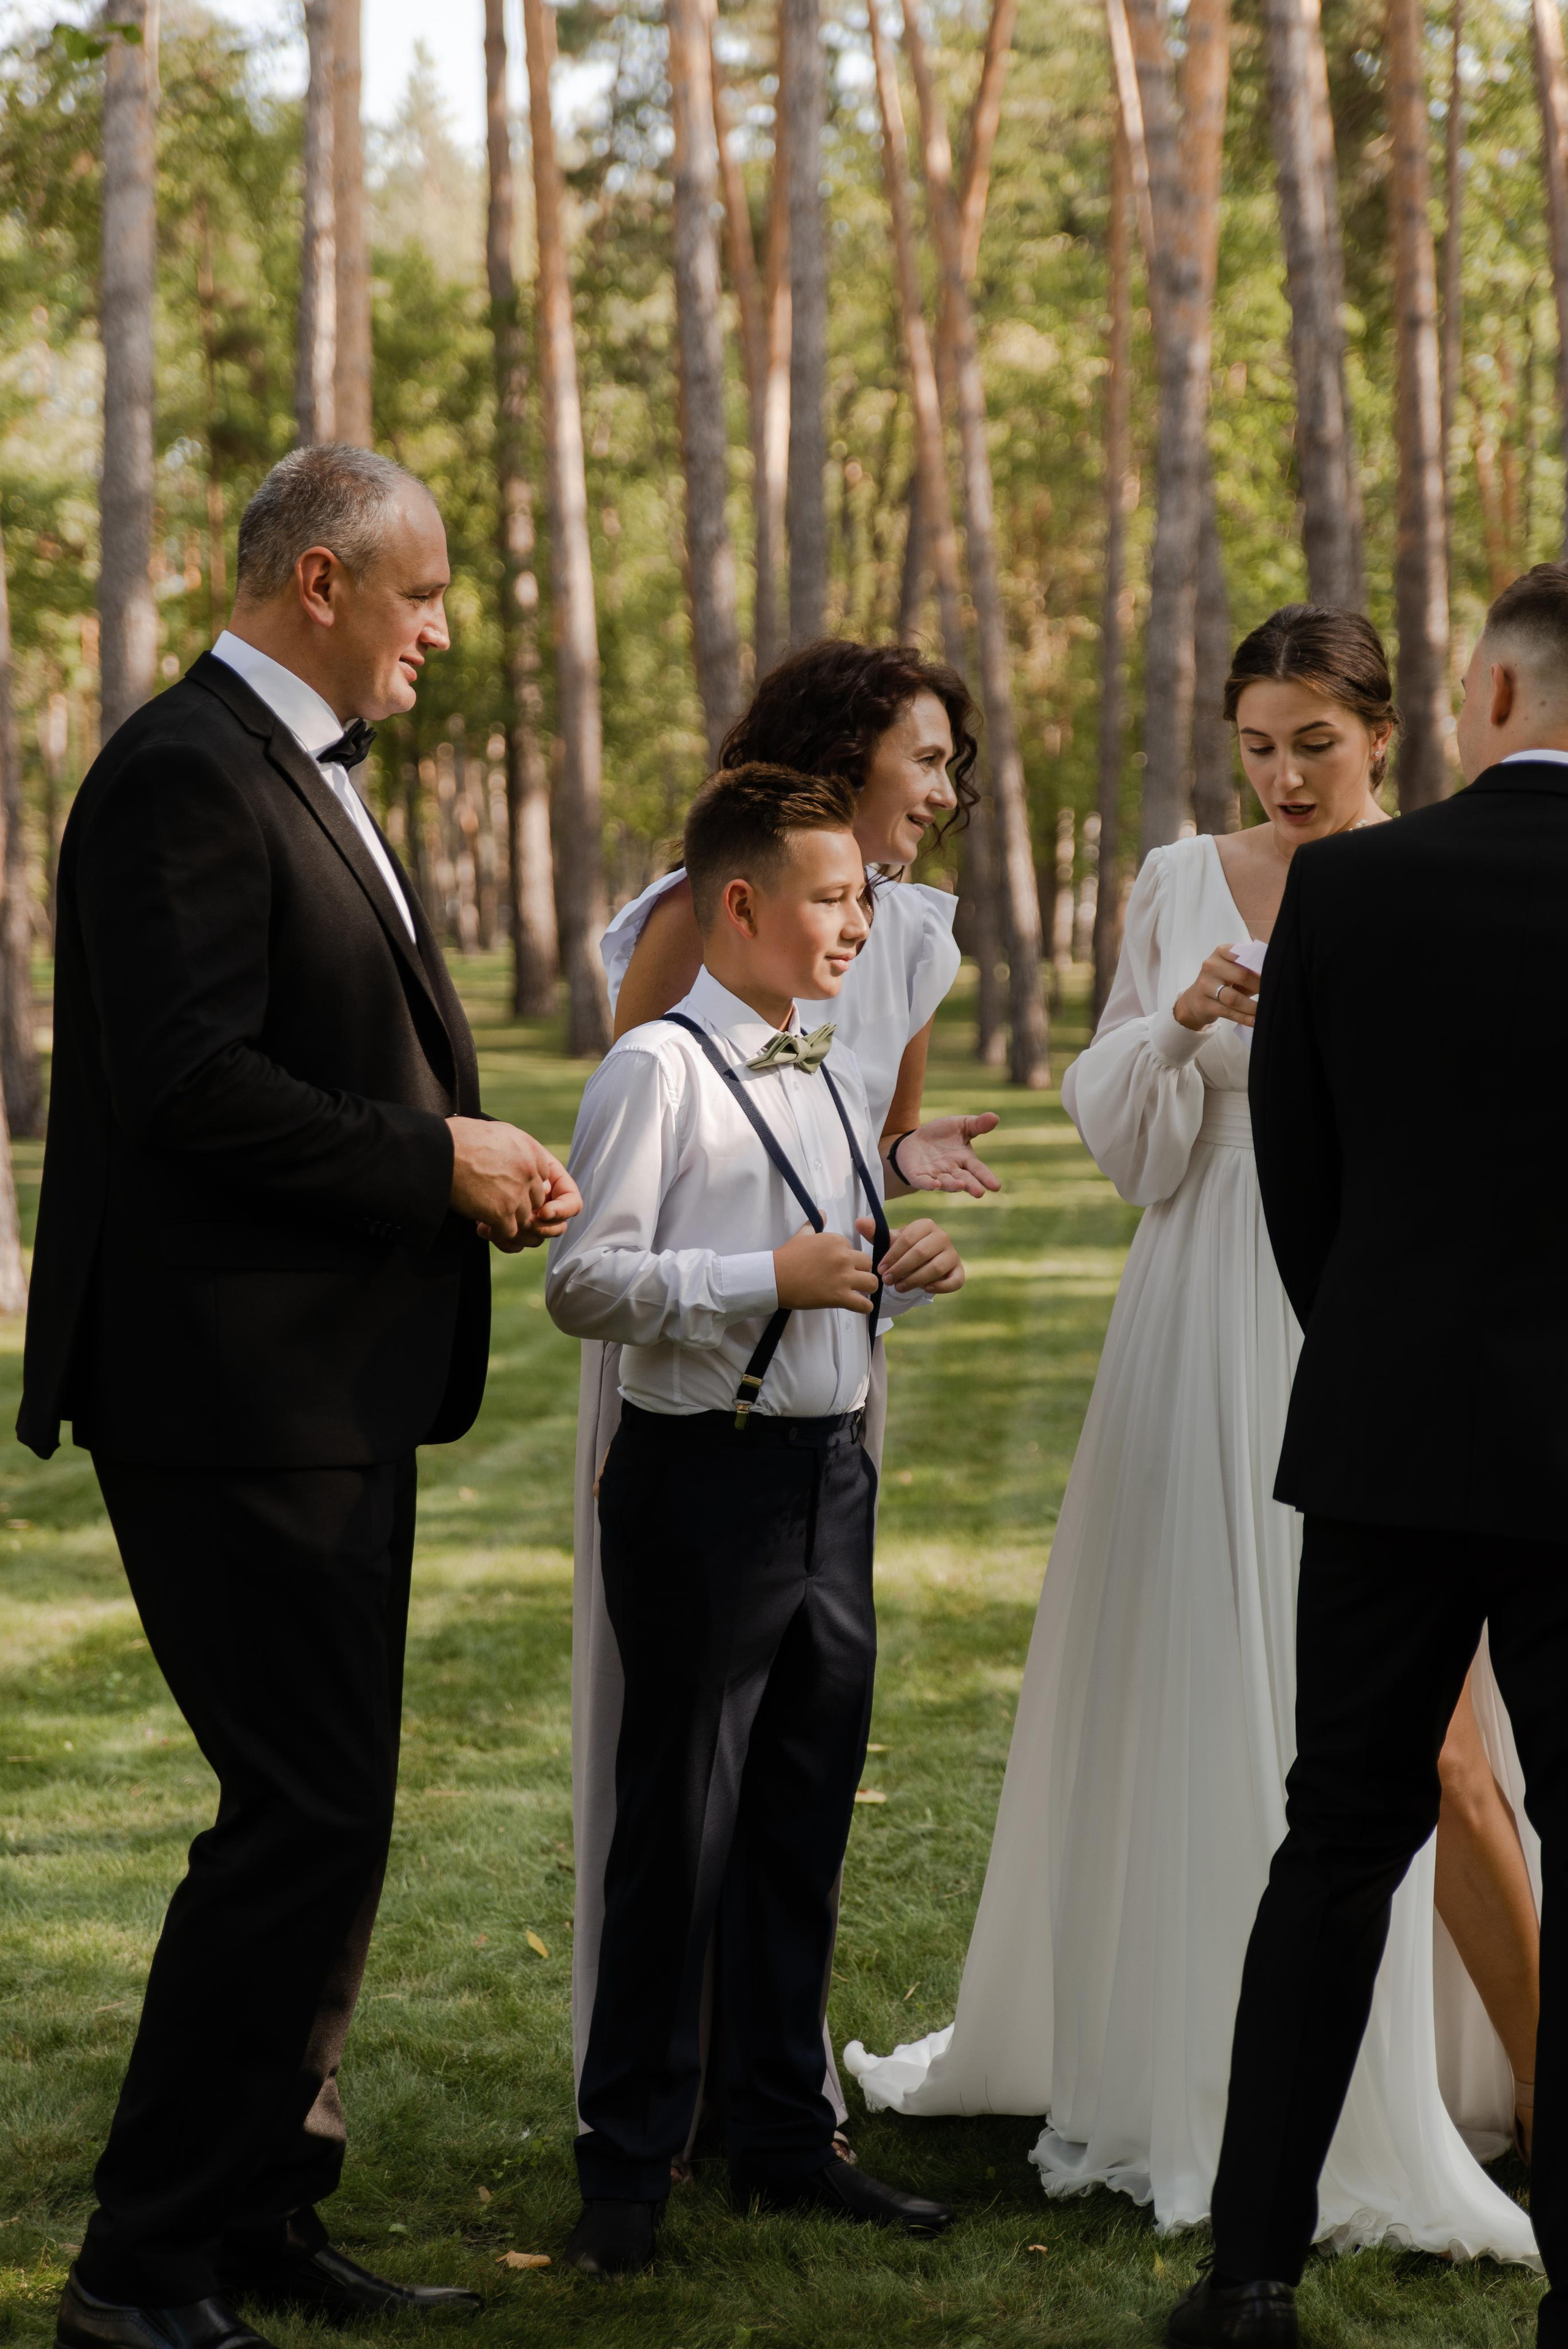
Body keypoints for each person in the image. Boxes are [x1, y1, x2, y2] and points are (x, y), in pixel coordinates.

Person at [847, 607, 1538, 2275]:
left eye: (1316, 744)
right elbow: (1126, 1145)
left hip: (1363, 1322)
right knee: (1209, 1694)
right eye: (1258, 746)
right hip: (1197, 1313)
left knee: (1441, 1752)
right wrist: (1172, 1026)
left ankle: (1505, 2074)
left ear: (1381, 736)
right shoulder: (1175, 882)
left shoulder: (1423, 876)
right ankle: (1188, 2068)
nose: (1285, 776)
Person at [23, 445, 579, 2349]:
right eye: (422, 594)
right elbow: (188, 1085)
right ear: (321, 581)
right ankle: (137, 2269)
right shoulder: (183, 771)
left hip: (322, 1389)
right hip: (225, 1395)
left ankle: (264, 2209)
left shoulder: (293, 765)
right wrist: (437, 1160)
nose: (444, 631)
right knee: (299, 1818)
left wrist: (461, 1159)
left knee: (327, 1816)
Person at [1164, 568, 1568, 2345]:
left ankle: (1249, 2278)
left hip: (1387, 1435)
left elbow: (1300, 1176)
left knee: (1334, 1840)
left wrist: (1386, 1349)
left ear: (1490, 695)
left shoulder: (1345, 887)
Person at [572, 640, 1001, 2138]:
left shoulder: (898, 952)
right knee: (677, 1777)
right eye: (924, 759)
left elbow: (852, 1152)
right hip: (696, 1393)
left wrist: (901, 1194)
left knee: (800, 1783)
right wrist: (764, 1276)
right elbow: (649, 1149)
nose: (942, 791)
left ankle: (776, 2103)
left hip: (830, 1391)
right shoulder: (699, 945)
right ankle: (643, 2122)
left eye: (950, 764)